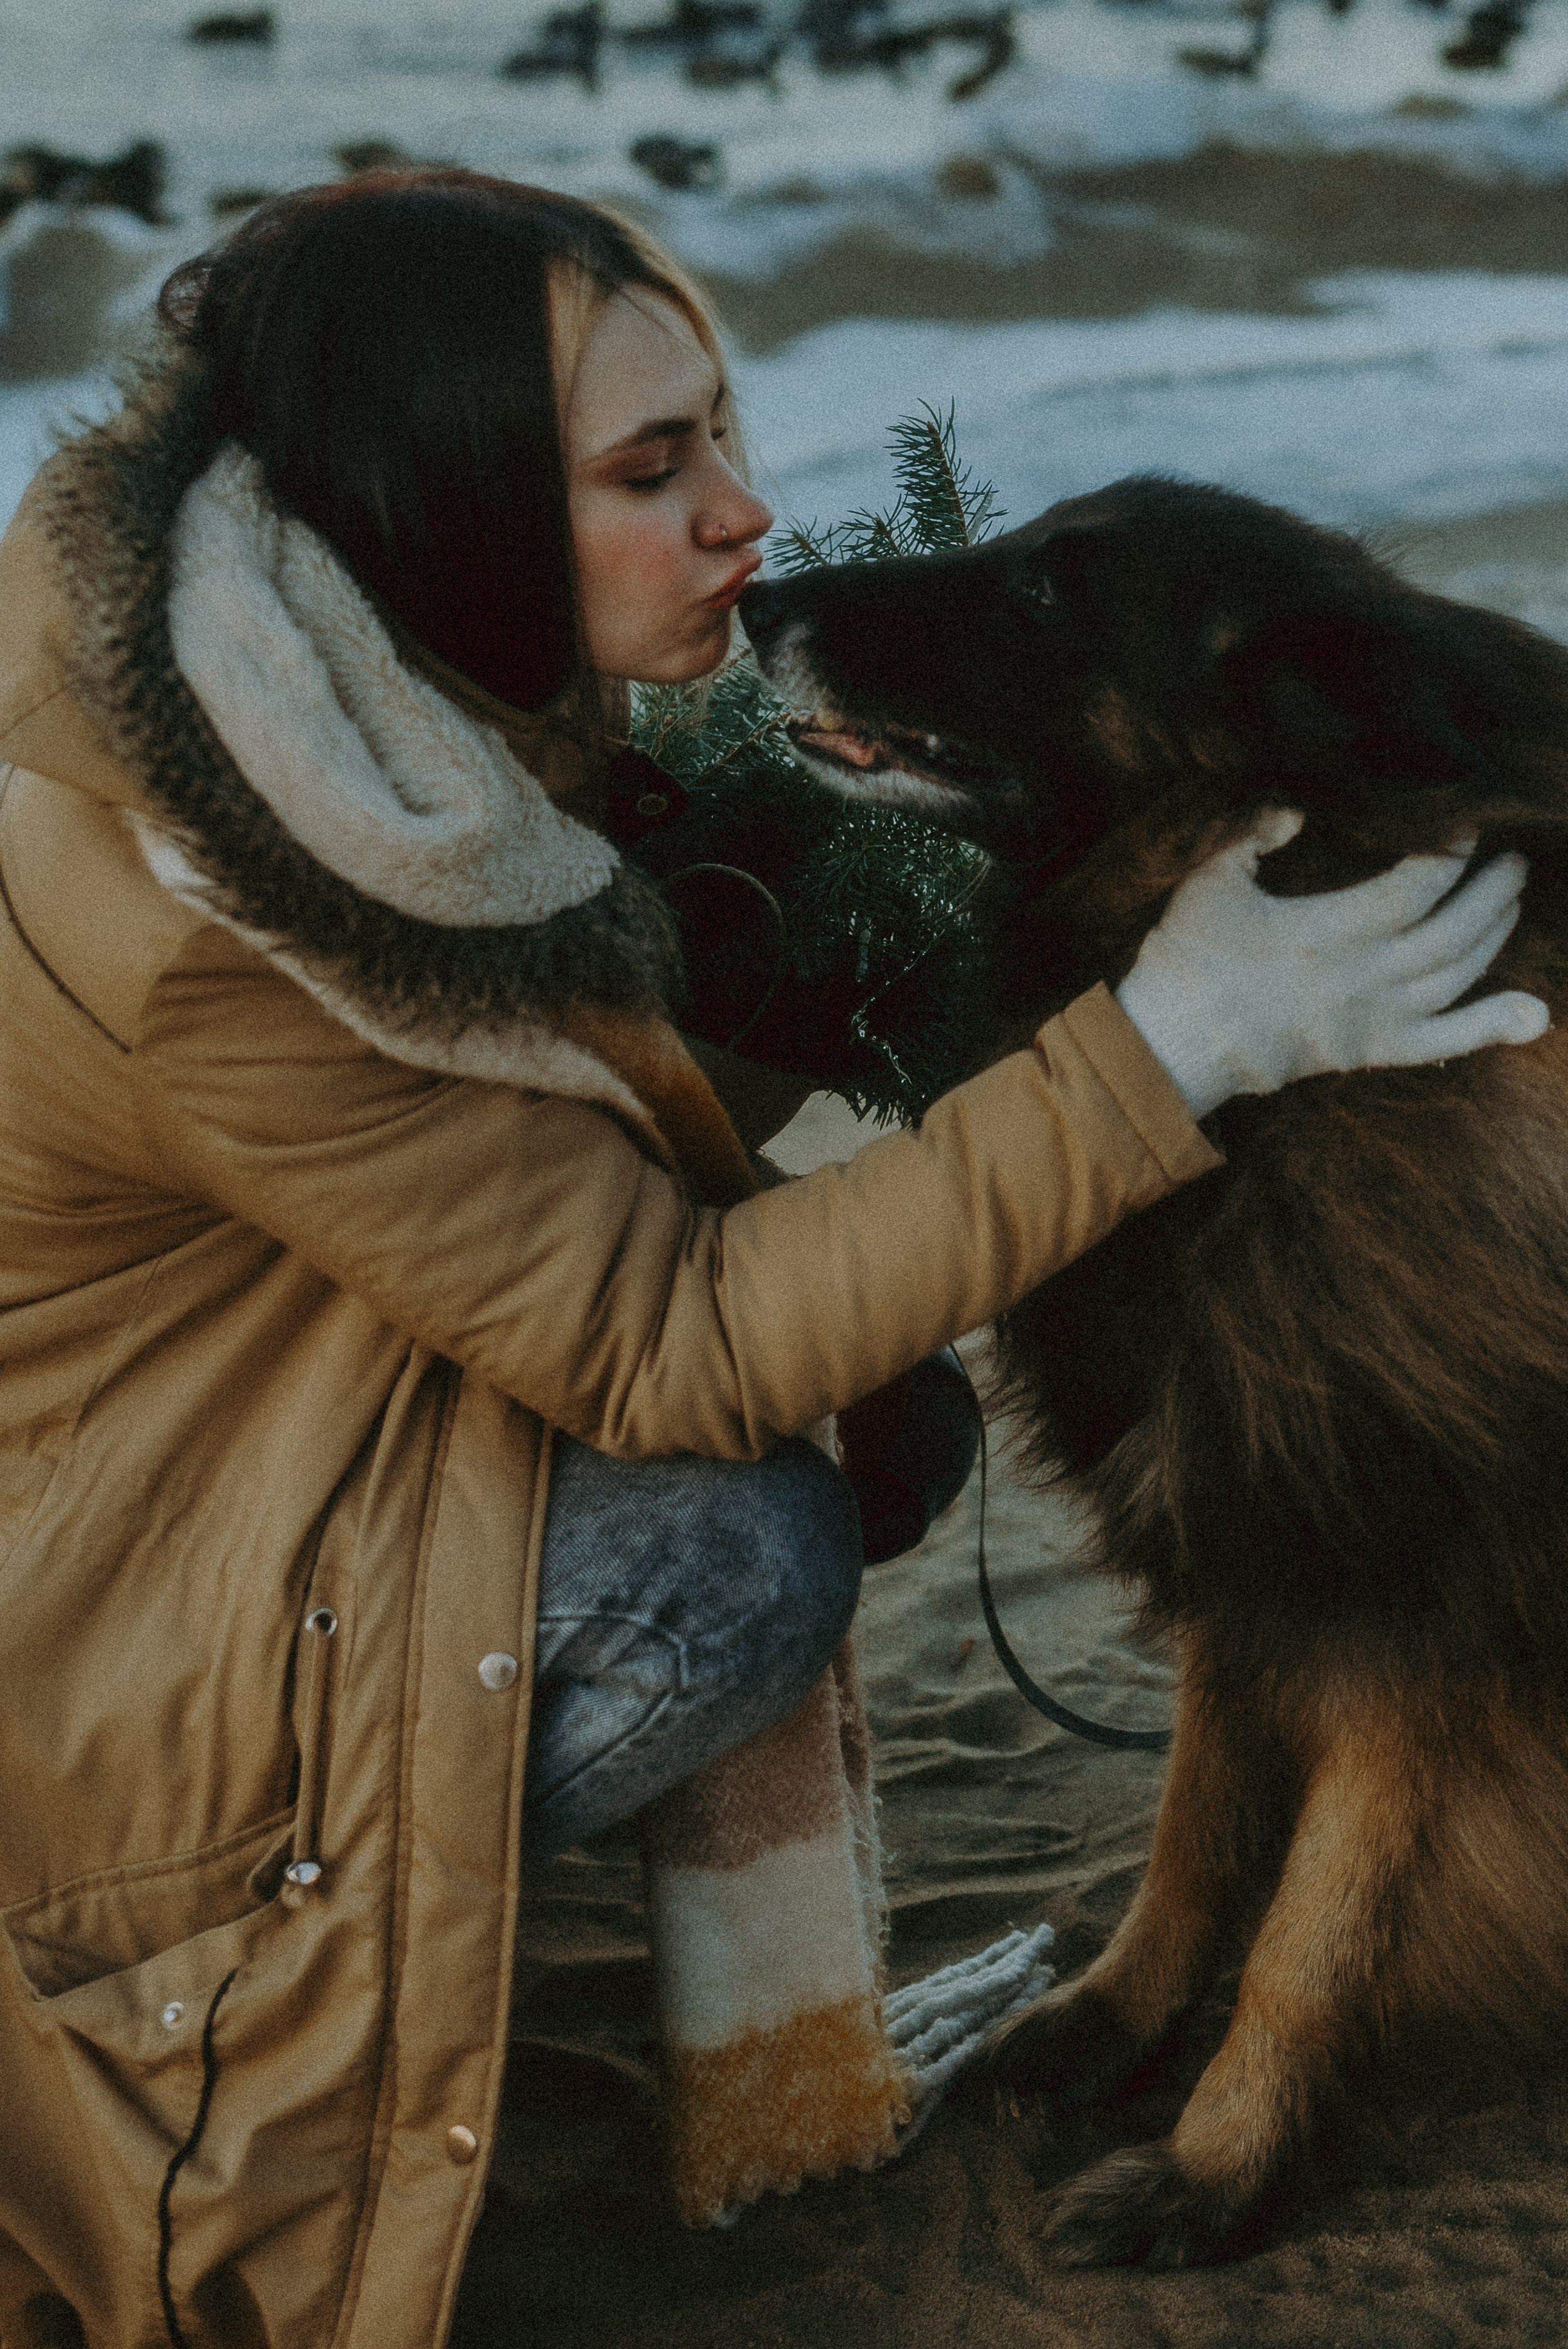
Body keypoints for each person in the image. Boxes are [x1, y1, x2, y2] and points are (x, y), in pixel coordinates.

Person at [0, 170, 1545, 2349]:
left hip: (233, 1456)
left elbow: (568, 1130)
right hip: (96, 1678)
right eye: (652, 470)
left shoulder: (370, 708)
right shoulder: (230, 923)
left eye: (721, 427)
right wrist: (1169, 1047)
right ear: (449, 510)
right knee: (737, 1552)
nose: (745, 513)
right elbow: (669, 1348)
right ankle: (292, 1920)